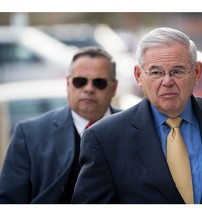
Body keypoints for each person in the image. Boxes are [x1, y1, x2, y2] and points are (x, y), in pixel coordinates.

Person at [72, 27, 202, 204]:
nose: (167, 81)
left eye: (177, 71)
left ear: (196, 72)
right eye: (156, 72)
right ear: (138, 76)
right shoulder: (105, 139)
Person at [0, 46, 121, 204]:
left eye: (99, 83)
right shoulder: (29, 134)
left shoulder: (137, 129)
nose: (89, 89)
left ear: (114, 88)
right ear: (68, 83)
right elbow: (9, 203)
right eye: (80, 81)